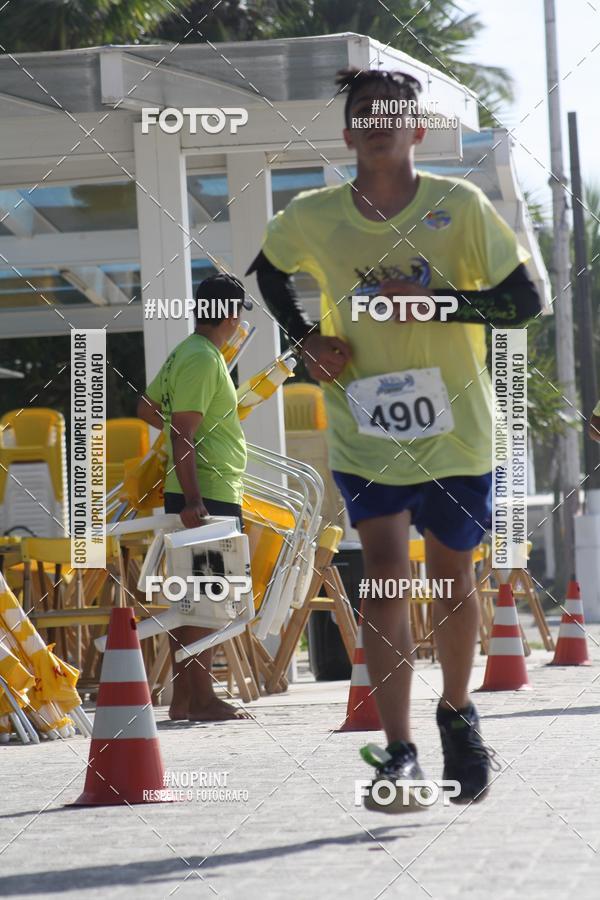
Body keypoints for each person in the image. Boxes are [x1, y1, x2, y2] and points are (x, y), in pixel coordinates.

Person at [247, 68, 541, 810]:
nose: (379, 125)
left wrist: (438, 304)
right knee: (382, 576)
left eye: (393, 114)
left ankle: (458, 714)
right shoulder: (313, 215)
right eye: (365, 115)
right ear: (348, 133)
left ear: (417, 129)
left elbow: (524, 301)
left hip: (457, 427)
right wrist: (306, 339)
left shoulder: (460, 206)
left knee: (451, 578)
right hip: (366, 425)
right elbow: (268, 274)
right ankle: (400, 750)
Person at [138, 273, 252, 722]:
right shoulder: (204, 358)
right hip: (208, 491)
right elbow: (182, 432)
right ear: (231, 314)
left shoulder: (186, 352)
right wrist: (193, 498)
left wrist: (183, 438)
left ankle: (185, 699)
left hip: (196, 488)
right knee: (208, 597)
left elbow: (147, 408)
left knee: (191, 597)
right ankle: (202, 700)